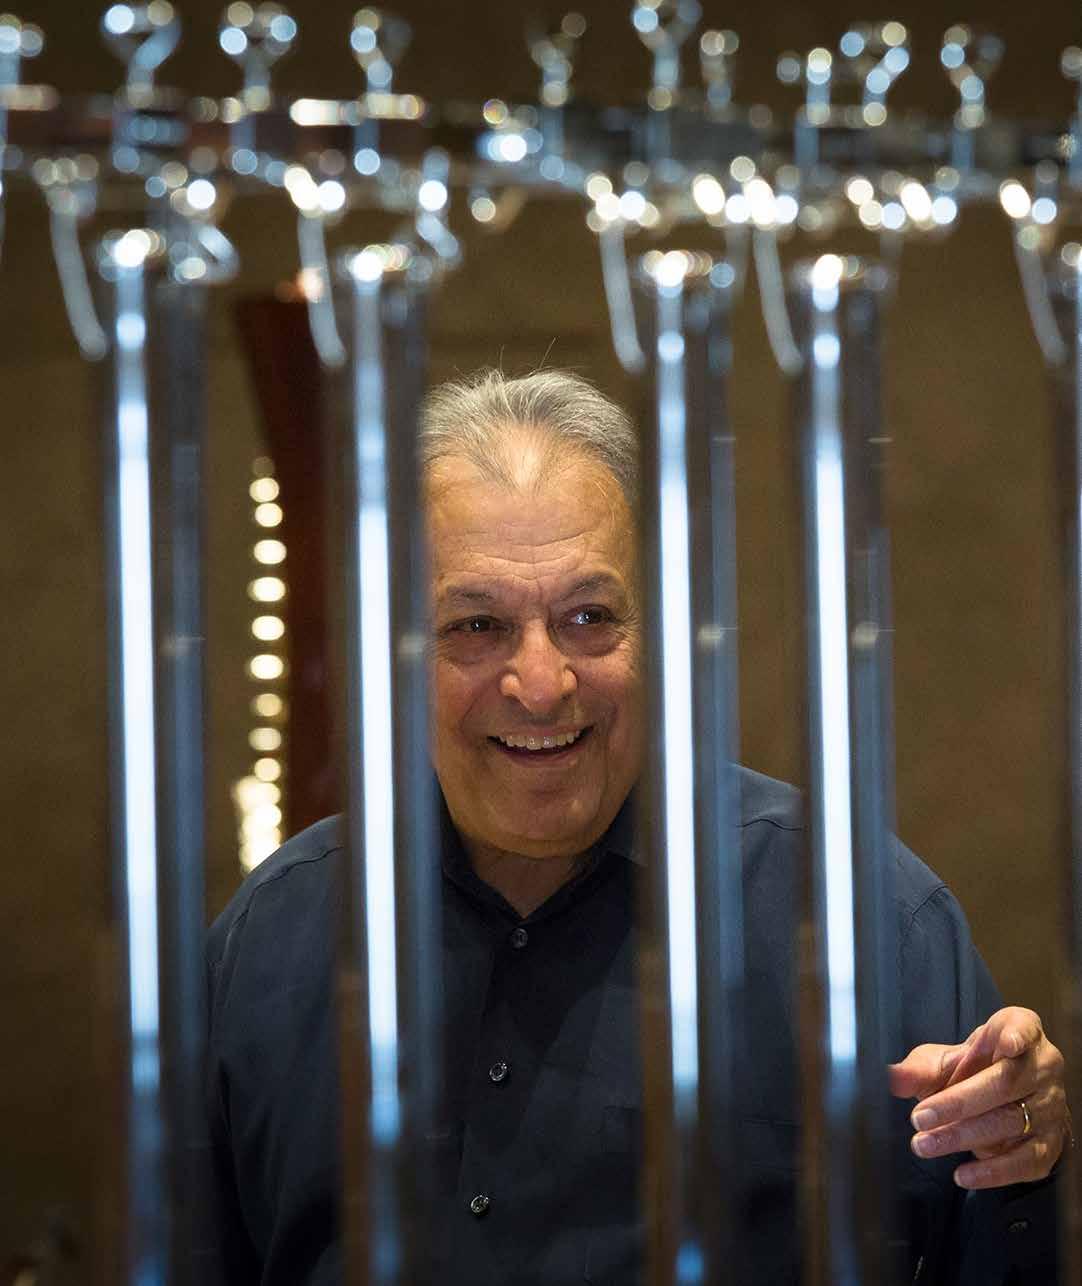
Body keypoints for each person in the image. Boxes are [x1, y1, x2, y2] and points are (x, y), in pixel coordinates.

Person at [202, 369, 1070, 1285]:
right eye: (477, 625)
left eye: (589, 617)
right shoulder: (273, 940)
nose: (542, 685)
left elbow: (1010, 1241)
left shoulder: (866, 920)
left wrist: (1024, 1147)